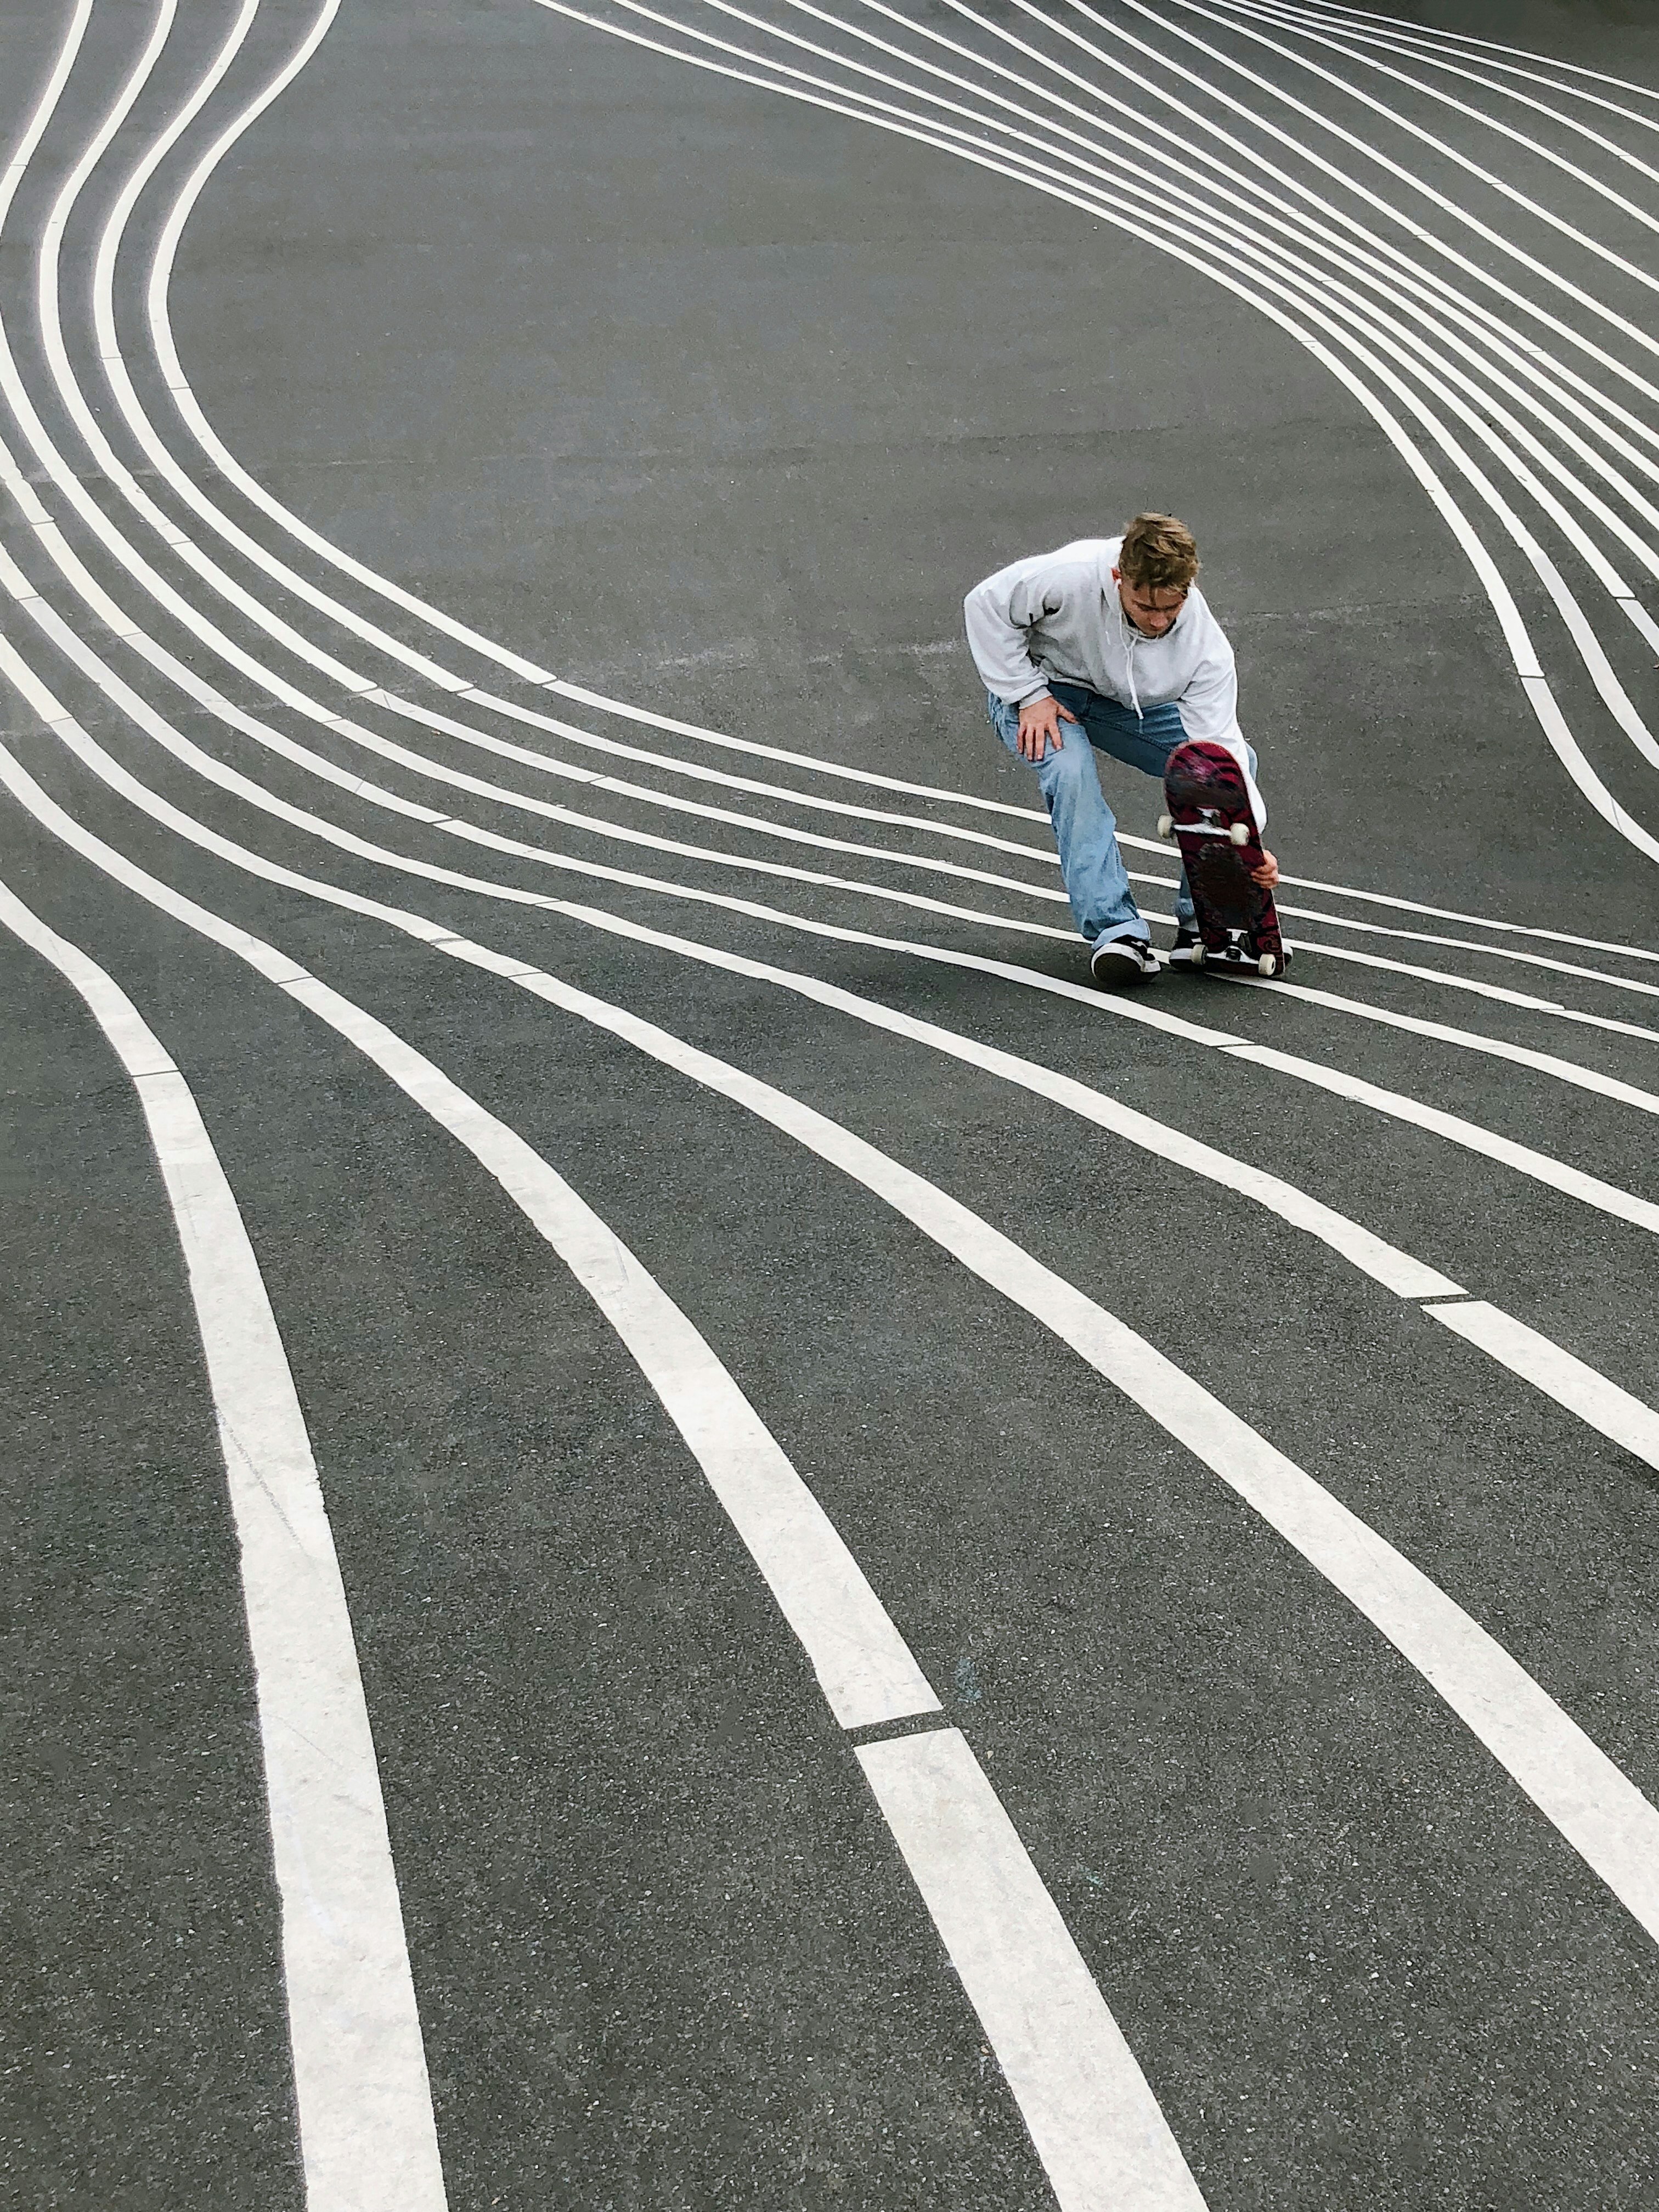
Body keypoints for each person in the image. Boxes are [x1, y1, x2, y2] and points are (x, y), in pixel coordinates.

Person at [964, 511, 1278, 987]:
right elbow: (984, 605)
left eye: (1171, 608)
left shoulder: (1204, 646)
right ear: (1118, 578)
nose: (1158, 621)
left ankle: (1207, 921)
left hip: (1122, 707)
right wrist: (1027, 693)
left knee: (1229, 771)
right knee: (1071, 773)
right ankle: (1118, 932)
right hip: (1044, 692)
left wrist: (1250, 845)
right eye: (1145, 605)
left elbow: (1221, 752)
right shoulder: (1068, 576)